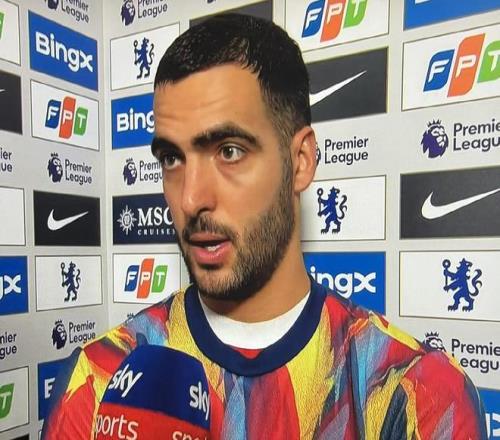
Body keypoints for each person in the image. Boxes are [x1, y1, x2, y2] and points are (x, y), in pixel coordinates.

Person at [42, 13, 487, 439]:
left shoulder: (414, 395)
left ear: (301, 161)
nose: (191, 198)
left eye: (229, 151)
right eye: (172, 158)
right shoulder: (99, 381)